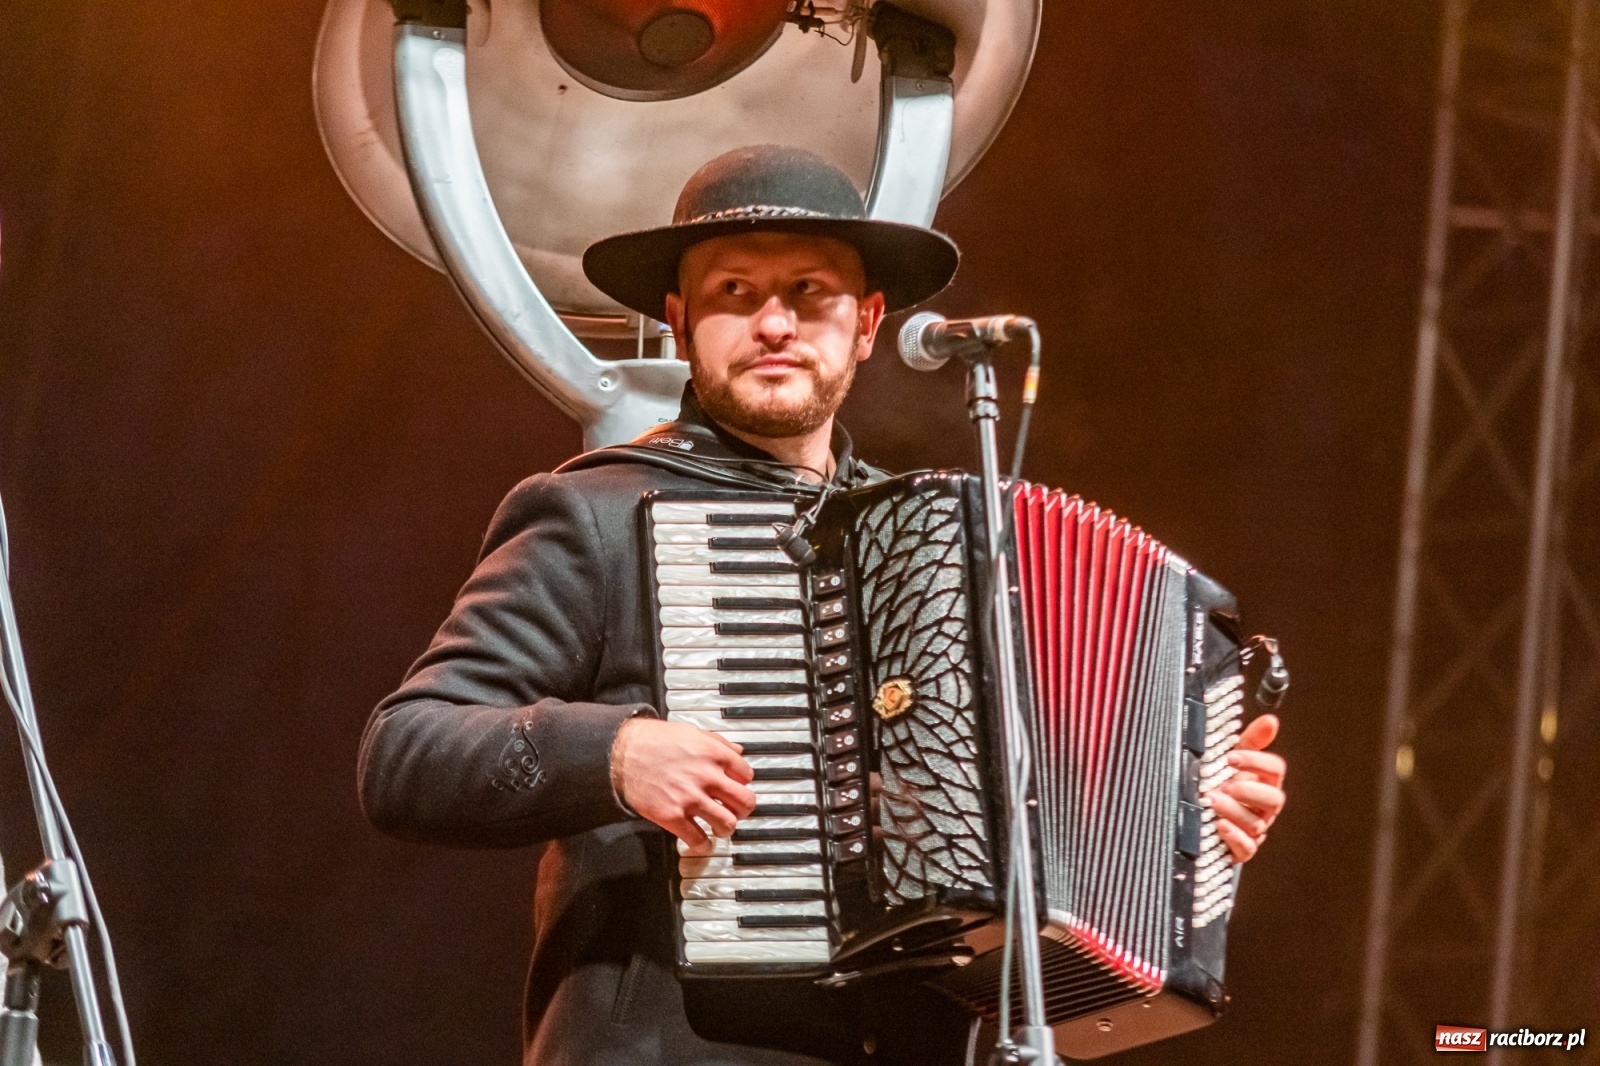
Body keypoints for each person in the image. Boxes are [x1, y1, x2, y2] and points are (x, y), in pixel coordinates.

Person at [358, 145, 1288, 1066]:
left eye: (809, 293)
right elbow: (407, 752)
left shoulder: (934, 547)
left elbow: (1038, 809)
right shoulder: (595, 511)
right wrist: (614, 751)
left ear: (869, 321)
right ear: (680, 323)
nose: (774, 323)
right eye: (734, 293)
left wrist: (1185, 819)